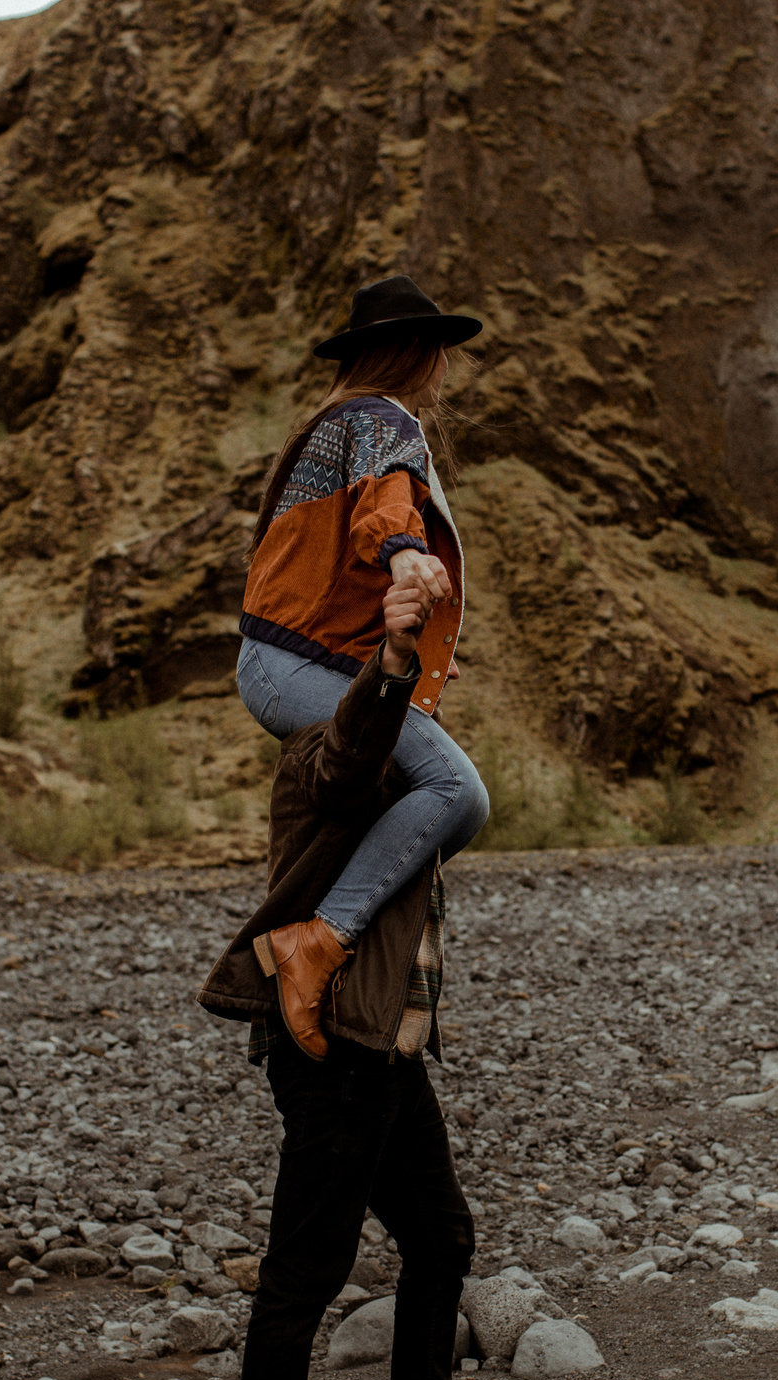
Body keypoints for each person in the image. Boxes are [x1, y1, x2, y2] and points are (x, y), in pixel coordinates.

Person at [196, 551, 525, 1380]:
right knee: (306, 1266)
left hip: (385, 1051)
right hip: (331, 1047)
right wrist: (391, 657)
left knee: (441, 1238)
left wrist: (418, 662)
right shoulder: (324, 755)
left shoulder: (410, 771)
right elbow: (353, 747)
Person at [234, 274, 489, 1062]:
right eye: (441, 355)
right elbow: (387, 510)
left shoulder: (330, 424)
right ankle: (317, 941)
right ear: (419, 356)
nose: (447, 371)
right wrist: (407, 556)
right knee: (457, 791)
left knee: (419, 791)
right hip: (299, 665)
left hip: (276, 662)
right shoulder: (384, 421)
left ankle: (327, 933)